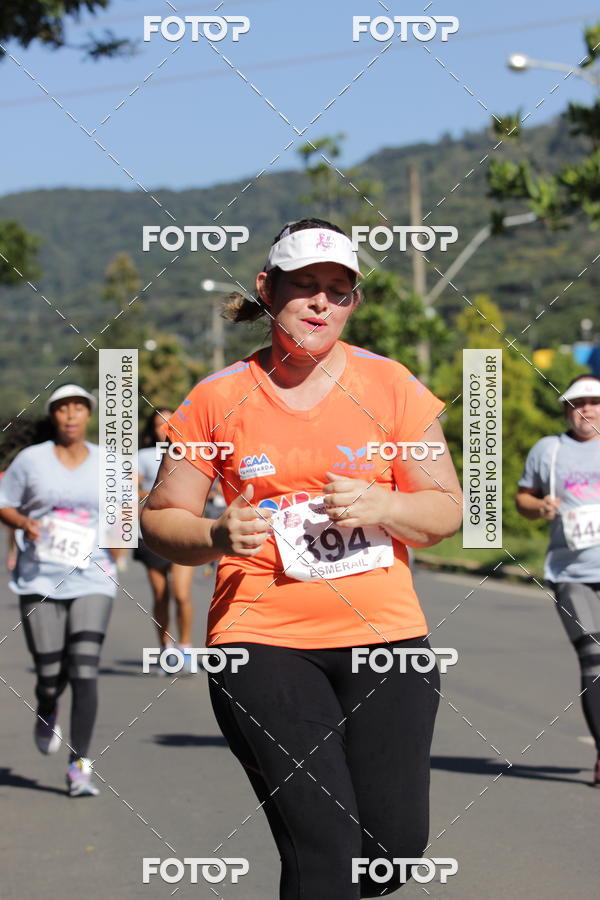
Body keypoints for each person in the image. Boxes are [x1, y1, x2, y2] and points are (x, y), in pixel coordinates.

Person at [141, 218, 463, 898]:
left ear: (353, 302)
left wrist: (387, 507)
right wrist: (214, 536)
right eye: (305, 286)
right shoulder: (216, 398)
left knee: (391, 851)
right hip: (262, 639)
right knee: (326, 848)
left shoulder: (392, 387)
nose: (321, 303)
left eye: (339, 291)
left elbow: (446, 510)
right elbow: (161, 519)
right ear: (267, 288)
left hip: (387, 641)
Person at [0, 384, 118, 797]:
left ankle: (79, 767)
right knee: (50, 673)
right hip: (40, 577)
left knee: (85, 668)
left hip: (93, 576)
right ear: (54, 415)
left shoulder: (108, 462)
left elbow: (122, 515)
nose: (70, 415)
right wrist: (25, 523)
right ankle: (48, 705)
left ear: (88, 415)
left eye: (78, 409)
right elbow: (4, 502)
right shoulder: (31, 461)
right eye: (63, 409)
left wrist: (118, 540)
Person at [517, 373, 600, 785]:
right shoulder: (548, 451)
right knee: (594, 660)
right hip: (571, 573)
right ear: (566, 410)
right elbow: (523, 498)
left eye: (593, 401)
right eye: (577, 402)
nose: (586, 409)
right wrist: (540, 507)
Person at [136, 408, 196, 673]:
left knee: (181, 595)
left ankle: (185, 646)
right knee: (161, 596)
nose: (165, 428)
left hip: (185, 533)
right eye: (160, 424)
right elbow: (130, 489)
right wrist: (155, 491)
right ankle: (165, 649)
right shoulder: (143, 457)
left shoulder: (192, 453)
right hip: (152, 533)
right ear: (152, 429)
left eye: (170, 423)